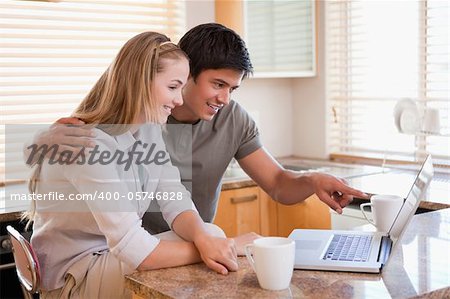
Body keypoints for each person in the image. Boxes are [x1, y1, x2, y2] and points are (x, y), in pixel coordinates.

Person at [29, 23, 367, 256]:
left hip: (190, 242)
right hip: (129, 252)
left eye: (232, 89)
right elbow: (82, 148)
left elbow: (277, 182)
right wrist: (46, 142)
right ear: (184, 74)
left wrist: (311, 180)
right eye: (218, 84)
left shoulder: (233, 120)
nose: (225, 99)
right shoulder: (147, 118)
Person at [26, 31, 238, 299]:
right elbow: (134, 249)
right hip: (76, 277)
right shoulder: (85, 144)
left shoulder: (148, 131)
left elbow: (174, 197)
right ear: (139, 82)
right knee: (211, 240)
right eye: (172, 87)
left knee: (208, 232)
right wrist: (221, 245)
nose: (179, 100)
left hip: (107, 259)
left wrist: (207, 239)